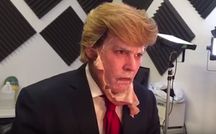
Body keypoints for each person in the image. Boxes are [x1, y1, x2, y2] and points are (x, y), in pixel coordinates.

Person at [10, 2, 160, 134]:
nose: (132, 67)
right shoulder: (39, 103)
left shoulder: (146, 101)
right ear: (91, 51)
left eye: (138, 55)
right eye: (121, 52)